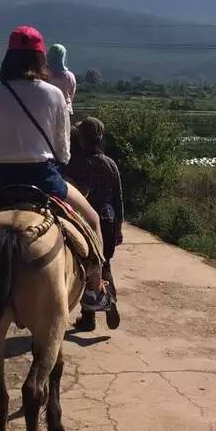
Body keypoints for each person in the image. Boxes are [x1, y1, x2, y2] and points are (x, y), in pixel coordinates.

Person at [0, 26, 111, 312]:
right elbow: (63, 149)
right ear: (40, 58)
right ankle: (94, 288)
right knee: (92, 219)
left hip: (3, 180)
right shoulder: (54, 93)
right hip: (43, 178)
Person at [71, 118, 123, 330]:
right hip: (108, 221)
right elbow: (118, 200)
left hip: (83, 221)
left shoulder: (75, 164)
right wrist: (118, 227)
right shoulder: (110, 164)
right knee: (104, 263)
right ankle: (107, 304)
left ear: (80, 139)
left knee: (84, 266)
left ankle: (89, 317)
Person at [46, 42, 76, 110]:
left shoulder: (44, 74)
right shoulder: (70, 76)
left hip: (48, 111)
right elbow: (71, 95)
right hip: (65, 110)